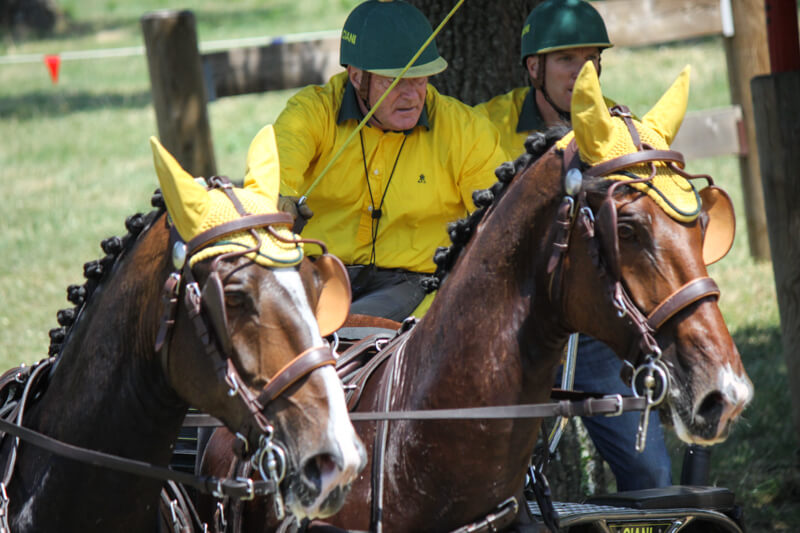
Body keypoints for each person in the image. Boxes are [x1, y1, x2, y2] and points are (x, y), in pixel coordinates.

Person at [474, 0, 672, 492]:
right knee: (488, 484)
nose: (583, 72)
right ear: (533, 68)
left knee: (652, 476)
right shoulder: (483, 127)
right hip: (511, 333)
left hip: (595, 331)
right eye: (566, 60)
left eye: (592, 60)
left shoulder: (619, 131)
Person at [246, 0, 507, 322]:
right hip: (319, 274)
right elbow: (274, 172)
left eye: (420, 79)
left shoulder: (466, 131)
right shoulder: (312, 112)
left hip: (414, 282)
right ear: (357, 77)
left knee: (350, 328)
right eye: (394, 81)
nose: (411, 95)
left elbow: (500, 216)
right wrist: (279, 201)